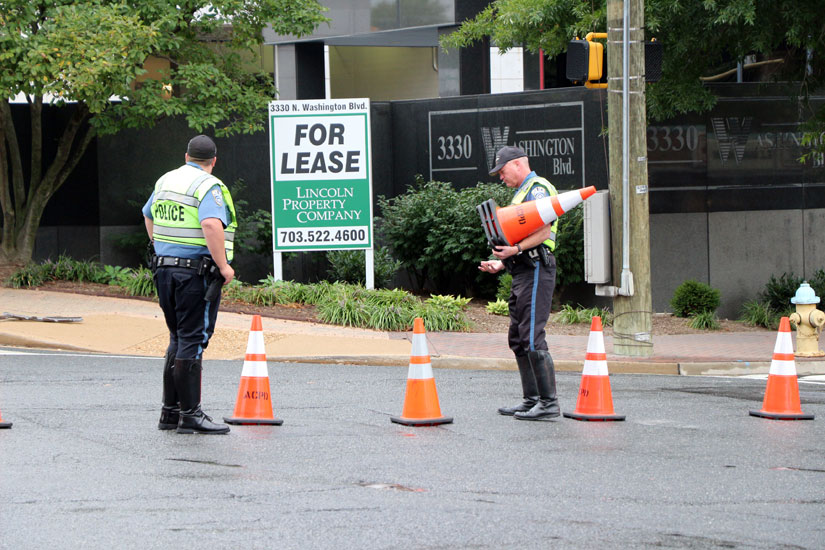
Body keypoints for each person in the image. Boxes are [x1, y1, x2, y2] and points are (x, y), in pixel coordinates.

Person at [142, 135, 237, 434]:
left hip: (165, 271)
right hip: (195, 275)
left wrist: (160, 246)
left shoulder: (165, 181)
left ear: (186, 156)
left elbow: (147, 215)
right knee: (193, 339)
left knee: (177, 337)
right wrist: (223, 266)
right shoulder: (209, 186)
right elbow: (211, 224)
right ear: (214, 161)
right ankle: (191, 415)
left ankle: (170, 414)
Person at [479, 146, 560, 421]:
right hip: (523, 270)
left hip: (537, 267)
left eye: (502, 171)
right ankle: (532, 400)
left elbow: (545, 230)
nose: (501, 177)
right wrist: (502, 262)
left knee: (532, 337)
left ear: (518, 164)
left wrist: (514, 251)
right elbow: (518, 238)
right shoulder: (521, 194)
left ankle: (548, 404)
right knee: (518, 337)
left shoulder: (538, 188)